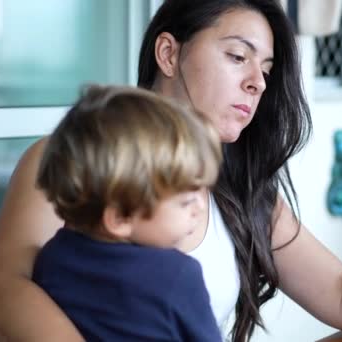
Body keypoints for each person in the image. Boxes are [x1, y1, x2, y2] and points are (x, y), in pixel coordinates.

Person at [0, 1, 342, 341]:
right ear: (169, 53)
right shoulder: (73, 162)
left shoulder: (244, 192)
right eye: (237, 56)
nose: (258, 83)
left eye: (266, 69)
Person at [31, 85, 223, 341]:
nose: (200, 208)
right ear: (120, 217)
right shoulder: (178, 275)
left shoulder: (51, 259)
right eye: (186, 201)